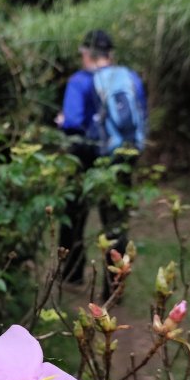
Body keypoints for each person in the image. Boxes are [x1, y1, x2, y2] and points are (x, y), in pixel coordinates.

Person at [55, 29, 147, 285]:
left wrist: (62, 123)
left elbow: (73, 122)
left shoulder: (80, 81)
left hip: (86, 156)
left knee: (74, 215)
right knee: (115, 222)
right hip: (122, 156)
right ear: (110, 54)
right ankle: (114, 286)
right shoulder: (131, 78)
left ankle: (72, 276)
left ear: (87, 54)